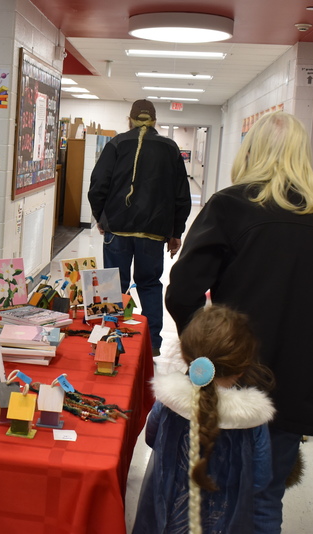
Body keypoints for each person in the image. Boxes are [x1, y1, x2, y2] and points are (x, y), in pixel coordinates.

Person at [165, 111, 313, 533]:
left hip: (230, 382)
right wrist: (309, 344)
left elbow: (182, 291)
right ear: (301, 156)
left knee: (211, 497)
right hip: (295, 390)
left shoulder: (230, 207)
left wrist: (207, 350)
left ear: (251, 150)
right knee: (264, 500)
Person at [134, 305, 275, 534]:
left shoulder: (171, 403)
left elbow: (152, 438)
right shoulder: (252, 420)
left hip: (168, 516)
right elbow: (259, 478)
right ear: (242, 368)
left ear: (188, 357)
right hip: (225, 521)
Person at [88, 99, 191, 354]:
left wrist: (100, 216)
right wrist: (176, 232)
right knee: (150, 283)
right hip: (153, 233)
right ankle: (153, 343)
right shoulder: (170, 148)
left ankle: (108, 338)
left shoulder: (117, 144)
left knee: (112, 284)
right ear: (155, 122)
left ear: (129, 119)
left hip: (118, 230)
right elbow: (181, 194)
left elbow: (98, 184)